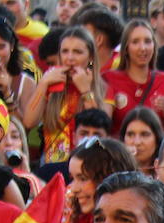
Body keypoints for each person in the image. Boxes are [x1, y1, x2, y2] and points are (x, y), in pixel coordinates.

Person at [23, 25, 105, 165]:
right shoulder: (51, 85)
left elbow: (99, 126)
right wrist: (43, 84)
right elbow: (29, 122)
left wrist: (85, 91)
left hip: (87, 164)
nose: (70, 58)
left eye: (77, 52)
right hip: (52, 166)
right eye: (65, 52)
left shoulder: (102, 86)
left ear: (90, 56)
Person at [103, 19, 164, 134]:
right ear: (126, 48)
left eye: (147, 41)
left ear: (154, 46)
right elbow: (90, 64)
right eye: (135, 42)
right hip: (120, 150)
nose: (143, 48)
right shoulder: (108, 78)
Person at [121, 105, 164, 175]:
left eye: (144, 134)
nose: (137, 142)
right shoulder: (113, 176)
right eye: (130, 134)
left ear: (157, 138)